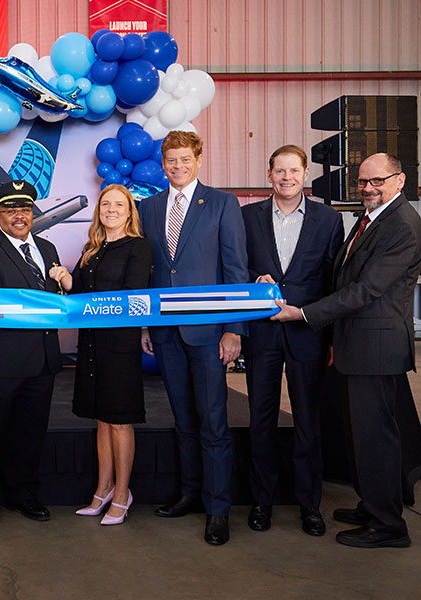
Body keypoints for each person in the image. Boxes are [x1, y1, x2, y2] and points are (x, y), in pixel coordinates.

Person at [272, 153, 421, 548]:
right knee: (361, 435)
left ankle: (388, 525)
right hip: (356, 346)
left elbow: (365, 290)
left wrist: (303, 313)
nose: (368, 188)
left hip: (376, 348)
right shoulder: (373, 219)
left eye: (378, 181)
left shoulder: (403, 226)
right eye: (362, 182)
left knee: (376, 438)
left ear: (400, 180)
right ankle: (372, 505)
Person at [138, 130, 249, 545]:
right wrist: (147, 324)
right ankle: (190, 493)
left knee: (214, 423)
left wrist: (235, 328)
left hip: (208, 333)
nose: (178, 167)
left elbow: (235, 269)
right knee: (183, 420)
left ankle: (218, 508)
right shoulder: (147, 208)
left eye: (185, 160)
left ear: (198, 160)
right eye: (171, 161)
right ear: (163, 164)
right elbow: (149, 273)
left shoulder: (222, 203)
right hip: (165, 332)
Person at [241, 145, 343, 536]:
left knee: (307, 423)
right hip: (262, 333)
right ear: (269, 175)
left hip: (307, 334)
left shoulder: (328, 220)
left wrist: (330, 336)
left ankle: (309, 504)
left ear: (305, 175)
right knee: (260, 420)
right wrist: (253, 280)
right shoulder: (246, 216)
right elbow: (235, 265)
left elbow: (334, 279)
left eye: (294, 171)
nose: (287, 177)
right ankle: (262, 501)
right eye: (279, 171)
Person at [49, 184, 152, 525]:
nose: (110, 209)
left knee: (120, 421)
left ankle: (123, 493)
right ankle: (102, 488)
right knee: (101, 420)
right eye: (105, 204)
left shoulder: (139, 247)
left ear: (128, 211)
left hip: (119, 346)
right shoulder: (91, 250)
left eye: (118, 205)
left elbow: (131, 296)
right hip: (91, 344)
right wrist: (65, 277)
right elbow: (77, 293)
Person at [0, 180, 62, 526]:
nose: (19, 216)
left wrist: (66, 282)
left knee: (30, 433)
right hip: (1, 361)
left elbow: (57, 303)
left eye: (25, 209)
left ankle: (23, 494)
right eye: (10, 210)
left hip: (43, 359)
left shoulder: (49, 250)